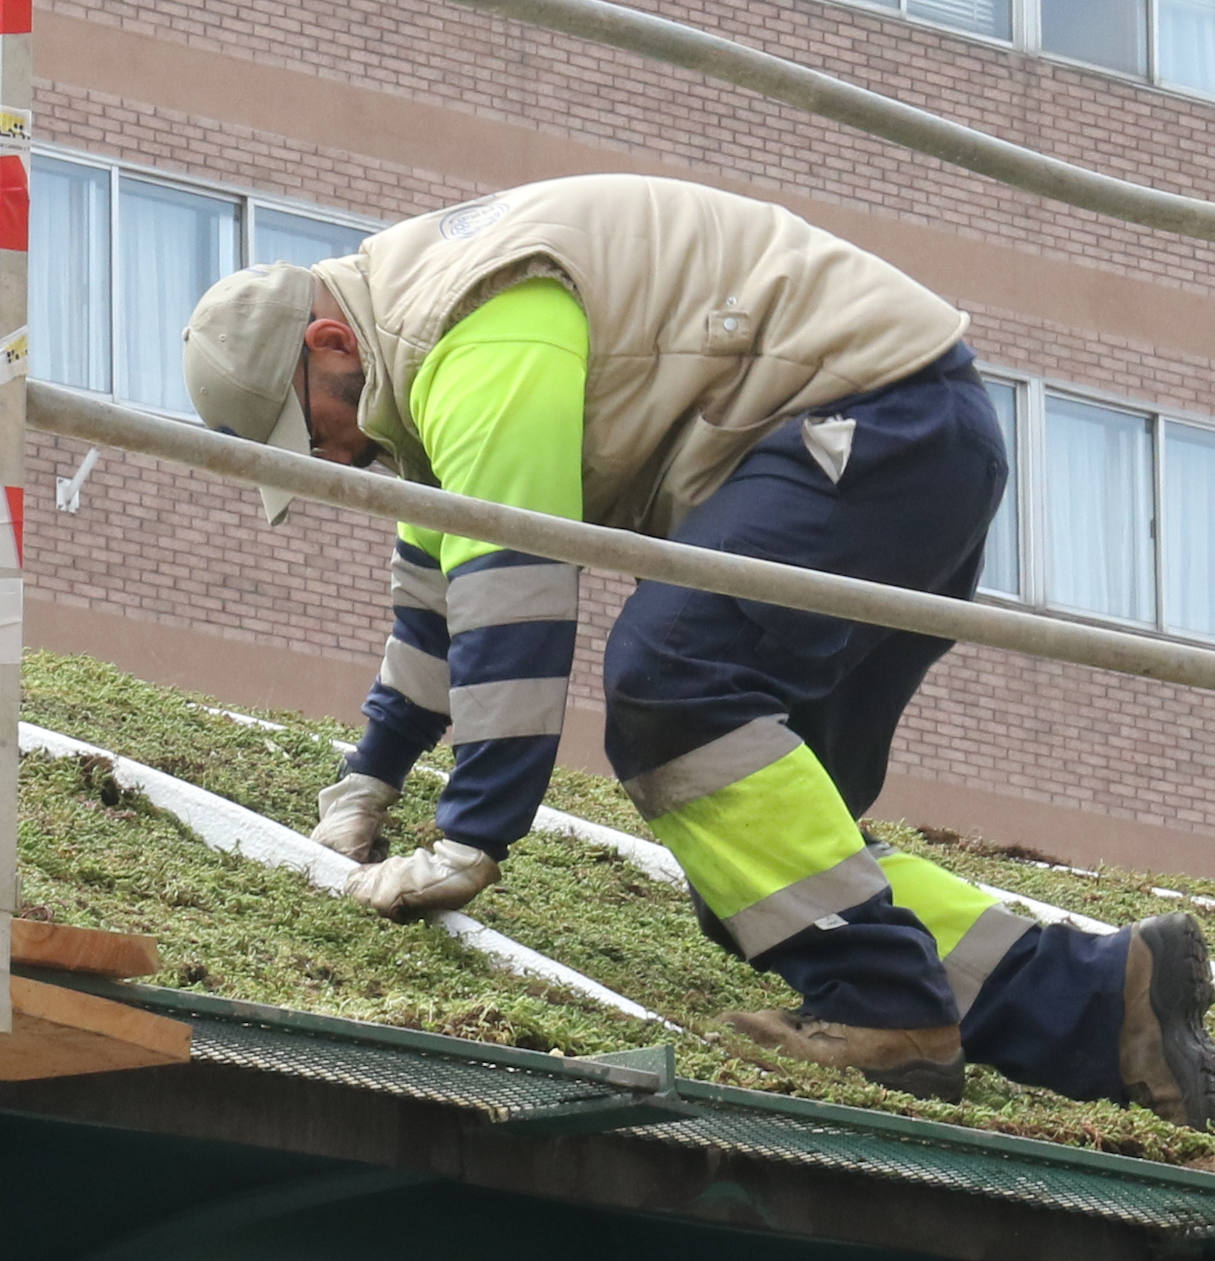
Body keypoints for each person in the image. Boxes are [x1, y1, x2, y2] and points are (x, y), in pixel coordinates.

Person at [182, 173, 1215, 1125]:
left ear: (329, 343)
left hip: (868, 429)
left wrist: (471, 839)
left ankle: (892, 1014)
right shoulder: (412, 376)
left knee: (673, 688)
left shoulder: (471, 334)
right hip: (906, 455)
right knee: (767, 869)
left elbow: (512, 590)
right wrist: (366, 781)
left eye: (308, 431)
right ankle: (1106, 1006)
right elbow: (437, 607)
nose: (331, 459)